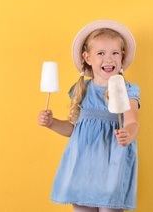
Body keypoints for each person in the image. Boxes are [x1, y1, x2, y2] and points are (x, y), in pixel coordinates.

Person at [38, 20, 140, 212]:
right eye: (101, 53)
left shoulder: (126, 90)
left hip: (113, 164)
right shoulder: (82, 90)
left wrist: (128, 134)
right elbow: (73, 129)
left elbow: (133, 122)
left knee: (110, 208)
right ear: (87, 58)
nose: (108, 59)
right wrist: (51, 123)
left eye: (115, 53)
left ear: (122, 56)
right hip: (82, 165)